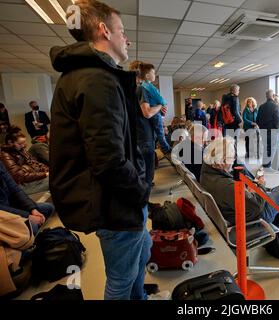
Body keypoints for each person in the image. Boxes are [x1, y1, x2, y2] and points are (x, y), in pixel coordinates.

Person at [49, 0, 167, 300]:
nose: (126, 39)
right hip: (115, 204)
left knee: (140, 258)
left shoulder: (92, 76)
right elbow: (108, 159)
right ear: (104, 31)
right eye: (122, 31)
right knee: (121, 279)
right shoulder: (96, 79)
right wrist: (140, 190)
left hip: (118, 199)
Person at [200, 137, 279, 238]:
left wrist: (251, 189)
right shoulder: (226, 186)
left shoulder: (207, 171)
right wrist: (260, 185)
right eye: (231, 159)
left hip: (237, 212)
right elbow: (258, 206)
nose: (233, 161)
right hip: (257, 217)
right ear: (222, 161)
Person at [128, 60, 162, 186]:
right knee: (147, 174)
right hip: (145, 137)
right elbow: (147, 113)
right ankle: (145, 201)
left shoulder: (130, 89)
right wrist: (159, 106)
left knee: (140, 172)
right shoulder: (142, 89)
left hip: (137, 135)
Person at [0, 162, 54, 235]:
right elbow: (2, 209)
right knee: (33, 227)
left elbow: (15, 189)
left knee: (48, 208)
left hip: (11, 206)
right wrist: (26, 216)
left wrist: (32, 209)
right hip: (3, 216)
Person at [0, 126, 49, 195]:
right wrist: (44, 174)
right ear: (10, 143)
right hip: (22, 187)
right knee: (54, 182)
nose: (23, 146)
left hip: (32, 181)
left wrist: (48, 170)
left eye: (24, 143)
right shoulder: (5, 155)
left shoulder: (21, 150)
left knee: (55, 178)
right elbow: (19, 176)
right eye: (20, 144)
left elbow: (36, 163)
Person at [138, 63, 171, 155]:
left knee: (159, 132)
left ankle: (164, 148)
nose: (155, 75)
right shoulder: (146, 87)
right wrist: (163, 104)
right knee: (160, 132)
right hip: (147, 130)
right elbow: (158, 99)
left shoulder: (145, 86)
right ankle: (166, 148)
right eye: (153, 72)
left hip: (154, 117)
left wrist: (161, 109)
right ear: (147, 76)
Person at [256, 89, 279, 168]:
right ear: (273, 96)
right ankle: (268, 164)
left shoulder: (261, 107)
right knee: (272, 148)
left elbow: (257, 120)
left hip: (263, 131)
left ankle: (264, 163)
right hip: (273, 131)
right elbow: (278, 121)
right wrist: (278, 131)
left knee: (265, 147)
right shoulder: (275, 107)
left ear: (266, 97)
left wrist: (261, 128)